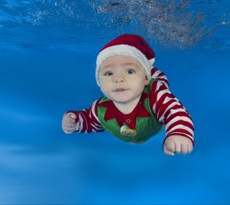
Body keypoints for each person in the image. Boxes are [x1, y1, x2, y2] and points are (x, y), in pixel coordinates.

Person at [62, 34, 194, 156]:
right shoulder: (100, 108)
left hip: (152, 86)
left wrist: (179, 133)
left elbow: (175, 112)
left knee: (159, 82)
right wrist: (75, 122)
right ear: (100, 83)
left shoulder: (156, 96)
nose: (118, 79)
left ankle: (150, 72)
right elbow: (91, 121)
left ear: (145, 79)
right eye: (109, 73)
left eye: (129, 71)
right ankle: (140, 70)